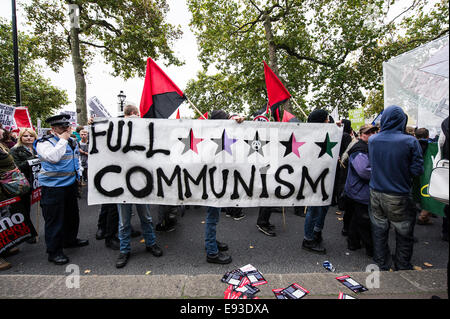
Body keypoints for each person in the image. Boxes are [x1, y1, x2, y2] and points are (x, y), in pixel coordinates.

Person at [368, 105, 423, 271]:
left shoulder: (373, 140)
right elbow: (417, 170)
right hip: (398, 194)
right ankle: (402, 265)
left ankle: (382, 264)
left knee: (379, 230)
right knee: (404, 233)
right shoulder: (410, 141)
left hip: (375, 192)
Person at [34, 114, 89, 265]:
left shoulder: (72, 141)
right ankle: (54, 251)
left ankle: (70, 240)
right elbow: (54, 158)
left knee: (72, 216)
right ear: (53, 129)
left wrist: (78, 174)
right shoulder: (43, 143)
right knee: (55, 220)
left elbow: (75, 158)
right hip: (53, 187)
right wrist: (63, 140)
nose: (66, 130)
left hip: (70, 184)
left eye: (67, 127)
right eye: (61, 128)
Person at [115, 104, 162, 268]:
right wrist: (94, 125)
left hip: (141, 183)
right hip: (122, 185)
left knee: (146, 218)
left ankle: (151, 243)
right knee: (124, 222)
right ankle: (124, 250)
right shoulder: (115, 131)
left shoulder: (144, 132)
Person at [205, 110, 245, 264]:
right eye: (227, 119)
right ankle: (212, 253)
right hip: (212, 184)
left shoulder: (218, 135)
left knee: (213, 217)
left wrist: (236, 119)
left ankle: (211, 242)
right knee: (212, 217)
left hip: (216, 182)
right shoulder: (214, 138)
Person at [344, 124, 378, 256]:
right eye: (367, 133)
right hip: (359, 189)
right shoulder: (359, 149)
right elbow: (364, 171)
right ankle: (371, 248)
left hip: (358, 189)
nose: (370, 135)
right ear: (361, 134)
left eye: (373, 132)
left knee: (356, 217)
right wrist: (382, 173)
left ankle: (353, 242)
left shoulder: (367, 147)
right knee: (363, 219)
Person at [301, 109, 331, 254]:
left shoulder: (327, 134)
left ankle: (316, 232)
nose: (329, 122)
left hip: (324, 177)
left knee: (323, 206)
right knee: (314, 209)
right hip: (313, 177)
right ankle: (308, 239)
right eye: (326, 119)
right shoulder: (308, 136)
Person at [9, 128, 39, 243]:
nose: (28, 138)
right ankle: (28, 233)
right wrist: (33, 160)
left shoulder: (37, 148)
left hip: (37, 182)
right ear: (20, 137)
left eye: (31, 136)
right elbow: (17, 167)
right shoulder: (15, 150)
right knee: (24, 208)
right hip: (23, 183)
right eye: (25, 136)